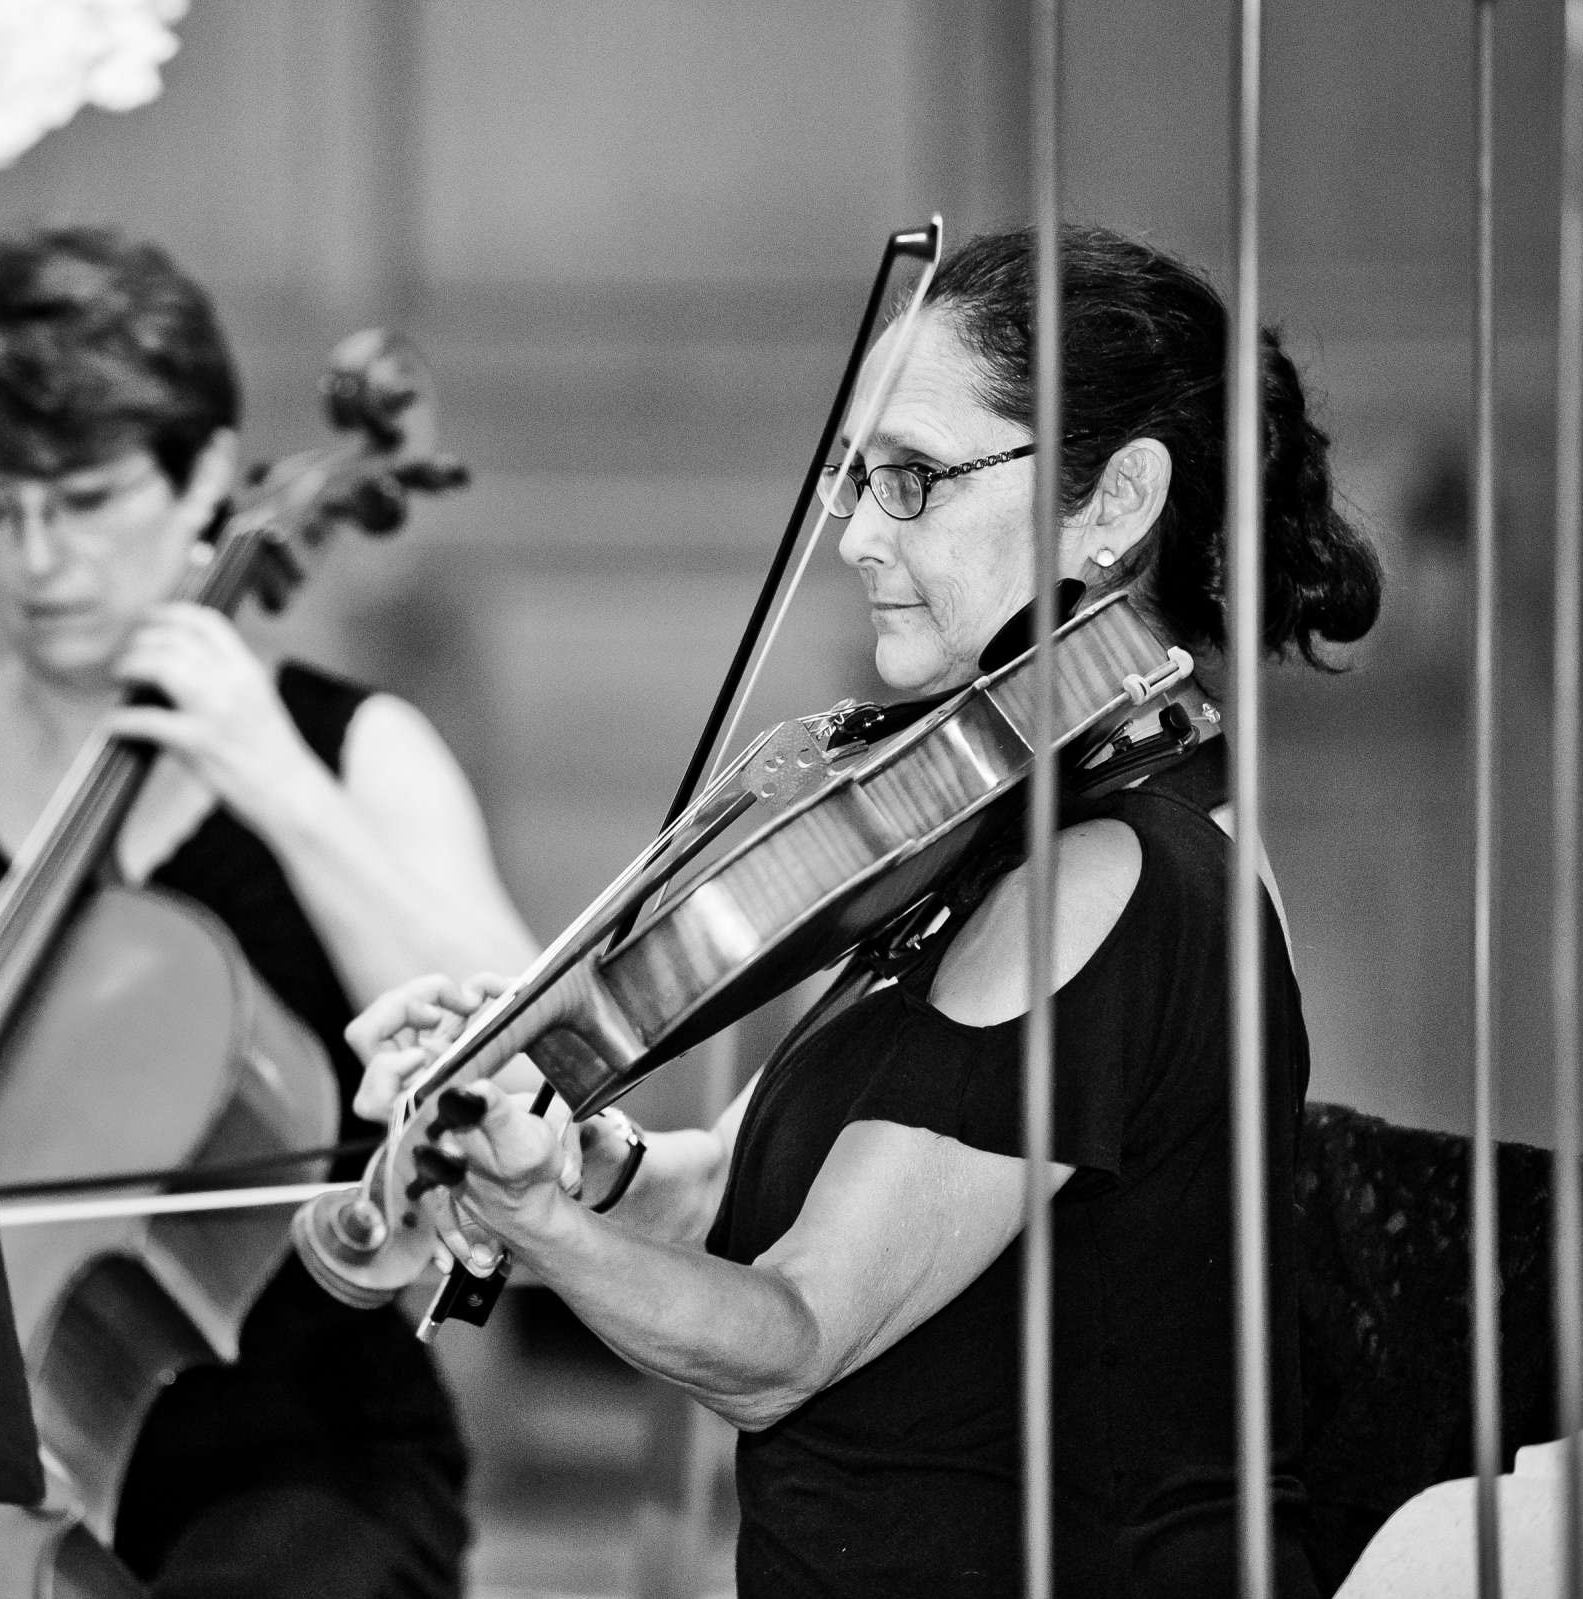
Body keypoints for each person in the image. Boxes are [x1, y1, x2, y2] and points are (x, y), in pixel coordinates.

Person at [348, 225, 1382, 1598]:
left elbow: (788, 1340)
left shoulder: (1119, 877)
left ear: (1117, 500)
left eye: (911, 480)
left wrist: (534, 1229)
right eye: (855, 480)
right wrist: (568, 1162)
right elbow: (727, 1185)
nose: (853, 536)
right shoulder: (978, 842)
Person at [0, 226, 534, 1597]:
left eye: (86, 497)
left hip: (299, 1469)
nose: (42, 558)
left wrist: (273, 779)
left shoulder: (358, 755)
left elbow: (531, 1056)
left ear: (203, 480)